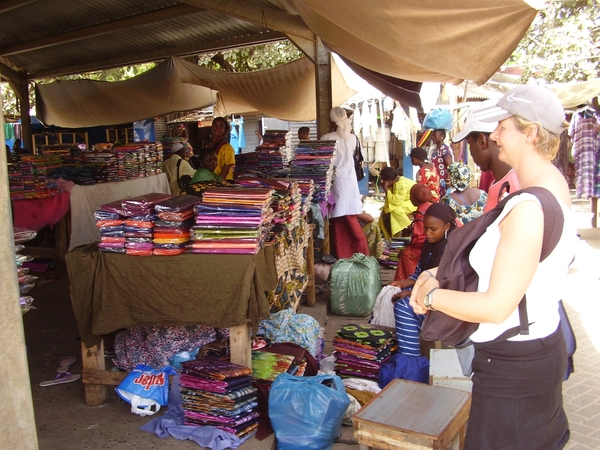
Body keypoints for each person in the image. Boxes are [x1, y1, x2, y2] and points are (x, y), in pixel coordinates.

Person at [410, 85, 577, 449]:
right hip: (528, 355)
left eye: (503, 126)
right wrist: (440, 273)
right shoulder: (551, 186)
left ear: (530, 132)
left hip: (513, 369)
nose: (495, 135)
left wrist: (433, 297)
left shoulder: (529, 207)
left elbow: (497, 305)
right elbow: (519, 269)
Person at [389, 203, 457, 356]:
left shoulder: (452, 248)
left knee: (403, 307)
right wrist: (403, 283)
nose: (427, 233)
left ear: (447, 226)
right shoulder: (431, 244)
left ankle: (410, 357)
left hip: (446, 304)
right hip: (429, 293)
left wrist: (412, 293)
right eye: (425, 228)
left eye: (433, 229)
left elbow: (445, 284)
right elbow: (422, 272)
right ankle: (404, 348)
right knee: (392, 293)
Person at [452, 99, 520, 212]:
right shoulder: (498, 183)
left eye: (469, 144)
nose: (471, 152)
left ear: (482, 141)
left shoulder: (514, 189)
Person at [321, 106, 370, 259]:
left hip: (336, 182)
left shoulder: (327, 138)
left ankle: (343, 254)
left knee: (339, 221)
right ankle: (359, 252)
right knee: (350, 217)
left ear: (331, 120)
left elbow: (321, 163)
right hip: (351, 181)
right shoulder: (353, 138)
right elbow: (361, 158)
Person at [393, 184, 432, 281]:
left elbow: (419, 239)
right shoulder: (432, 206)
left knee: (406, 254)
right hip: (435, 243)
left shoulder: (421, 211)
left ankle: (409, 281)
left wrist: (408, 246)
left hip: (426, 247)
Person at [377, 167, 416, 240]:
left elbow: (396, 201)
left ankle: (411, 229)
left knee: (395, 210)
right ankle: (385, 235)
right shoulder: (397, 181)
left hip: (414, 202)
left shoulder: (401, 184)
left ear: (389, 181)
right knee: (385, 210)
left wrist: (385, 188)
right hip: (405, 201)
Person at [430, 129, 453, 197]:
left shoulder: (445, 149)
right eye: (433, 135)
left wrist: (448, 181)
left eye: (435, 135)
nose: (433, 137)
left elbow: (450, 166)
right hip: (436, 181)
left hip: (443, 182)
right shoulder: (435, 149)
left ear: (442, 136)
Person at [212, 117, 235, 181]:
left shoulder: (228, 148)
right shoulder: (209, 146)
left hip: (224, 182)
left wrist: (218, 184)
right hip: (212, 181)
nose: (217, 128)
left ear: (225, 130)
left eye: (221, 126)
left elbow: (226, 169)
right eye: (215, 125)